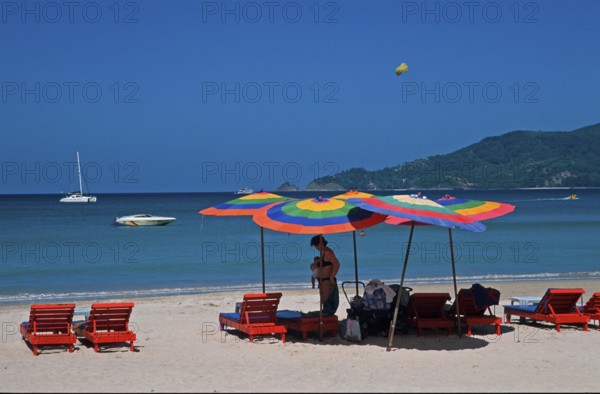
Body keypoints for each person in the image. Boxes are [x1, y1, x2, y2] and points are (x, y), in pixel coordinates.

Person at [310, 235, 340, 315]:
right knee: (324, 302)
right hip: (322, 280)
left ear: (320, 243)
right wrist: (314, 264)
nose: (316, 248)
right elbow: (321, 263)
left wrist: (332, 276)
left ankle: (327, 320)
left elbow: (336, 264)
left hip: (327, 280)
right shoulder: (323, 252)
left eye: (316, 245)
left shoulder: (328, 252)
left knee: (327, 302)